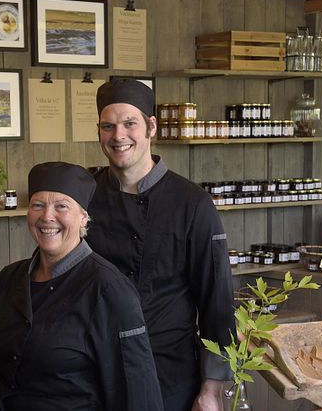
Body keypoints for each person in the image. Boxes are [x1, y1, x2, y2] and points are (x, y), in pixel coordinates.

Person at [85, 79, 235, 411]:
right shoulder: (85, 196)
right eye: (108, 126)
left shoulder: (192, 203)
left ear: (151, 126)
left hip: (168, 372)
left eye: (129, 123)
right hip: (95, 371)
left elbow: (217, 301)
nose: (118, 135)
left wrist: (212, 388)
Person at [0, 162, 163, 411]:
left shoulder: (109, 290)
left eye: (61, 206)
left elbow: (138, 394)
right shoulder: (10, 278)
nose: (47, 216)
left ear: (83, 218)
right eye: (38, 205)